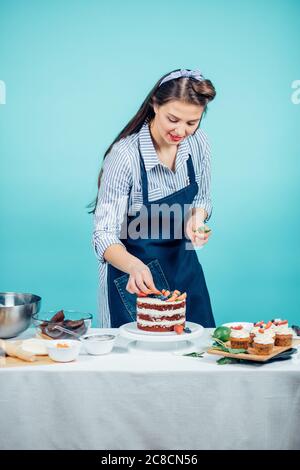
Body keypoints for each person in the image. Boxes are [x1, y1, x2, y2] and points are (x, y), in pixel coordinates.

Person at [90, 68, 216, 328]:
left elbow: (202, 200)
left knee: (197, 360)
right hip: (134, 281)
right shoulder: (125, 157)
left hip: (186, 272)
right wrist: (134, 266)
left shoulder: (199, 143)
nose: (181, 131)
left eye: (192, 123)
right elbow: (103, 235)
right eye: (173, 119)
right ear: (155, 104)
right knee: (138, 364)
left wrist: (197, 220)